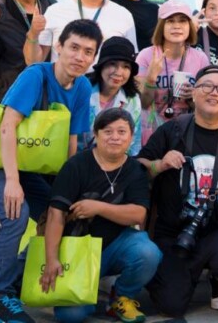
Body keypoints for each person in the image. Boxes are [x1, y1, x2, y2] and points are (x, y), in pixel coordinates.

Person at [0, 19, 102, 323]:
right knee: (15, 215)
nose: (79, 57)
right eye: (74, 47)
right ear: (59, 47)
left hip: (29, 164)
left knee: (58, 216)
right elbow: (7, 126)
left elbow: (71, 143)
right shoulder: (36, 76)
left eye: (88, 52)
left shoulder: (82, 86)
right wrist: (12, 181)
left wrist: (66, 196)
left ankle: (13, 282)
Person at [137, 64, 218, 315]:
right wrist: (160, 164)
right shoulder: (172, 130)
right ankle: (186, 274)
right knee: (170, 305)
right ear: (193, 94)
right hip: (173, 230)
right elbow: (139, 167)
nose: (214, 92)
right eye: (207, 86)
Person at [42, 107, 160, 323]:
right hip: (77, 250)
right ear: (96, 135)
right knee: (71, 316)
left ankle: (121, 297)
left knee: (148, 252)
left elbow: (138, 215)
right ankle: (95, 294)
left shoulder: (134, 169)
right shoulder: (76, 165)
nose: (115, 137)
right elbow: (55, 214)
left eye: (122, 132)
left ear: (131, 137)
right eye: (107, 131)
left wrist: (98, 207)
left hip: (114, 245)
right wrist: (51, 259)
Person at [136, 0, 211, 146]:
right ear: (161, 26)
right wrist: (151, 79)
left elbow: (205, 109)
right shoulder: (146, 56)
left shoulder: (200, 58)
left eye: (182, 21)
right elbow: (143, 104)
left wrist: (193, 97)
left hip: (187, 132)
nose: (177, 26)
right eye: (170, 21)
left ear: (189, 26)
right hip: (151, 133)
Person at [83, 37, 143, 155]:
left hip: (117, 161)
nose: (119, 72)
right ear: (102, 65)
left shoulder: (132, 99)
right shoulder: (82, 90)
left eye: (126, 67)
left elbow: (134, 144)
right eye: (112, 64)